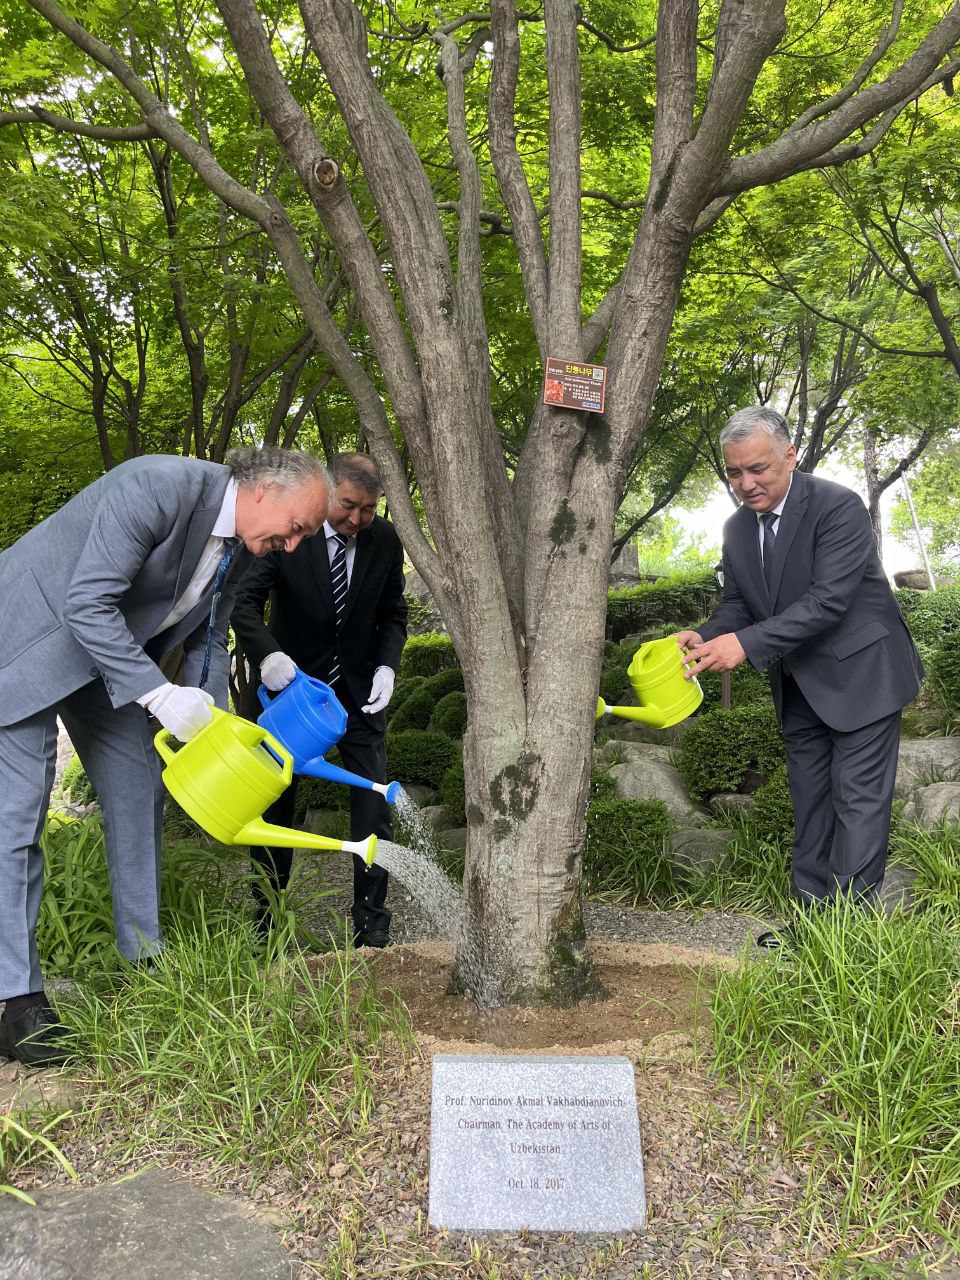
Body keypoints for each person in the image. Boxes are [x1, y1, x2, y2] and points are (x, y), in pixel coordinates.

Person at [0, 447, 330, 1066]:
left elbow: (207, 632)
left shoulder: (239, 546)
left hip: (104, 661)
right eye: (299, 527)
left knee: (139, 785)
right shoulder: (158, 487)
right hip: (27, 642)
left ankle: (143, 960)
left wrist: (206, 715)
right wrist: (157, 694)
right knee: (17, 820)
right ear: (266, 491)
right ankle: (16, 1004)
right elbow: (86, 603)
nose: (295, 544)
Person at [676, 407, 923, 946]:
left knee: (857, 803)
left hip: (864, 676)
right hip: (798, 685)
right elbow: (739, 603)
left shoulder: (838, 507)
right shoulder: (737, 528)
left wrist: (742, 645)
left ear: (790, 456)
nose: (746, 484)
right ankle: (810, 925)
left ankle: (845, 938)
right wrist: (706, 633)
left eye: (758, 469)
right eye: (735, 473)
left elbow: (827, 602)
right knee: (810, 803)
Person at [231, 452, 408, 947]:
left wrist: (387, 666)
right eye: (348, 505)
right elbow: (244, 603)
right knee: (274, 809)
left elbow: (393, 613)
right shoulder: (290, 530)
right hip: (288, 697)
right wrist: (268, 656)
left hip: (357, 696)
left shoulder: (384, 540)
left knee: (374, 804)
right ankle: (268, 926)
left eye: (368, 510)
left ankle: (372, 925)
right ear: (327, 494)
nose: (356, 519)